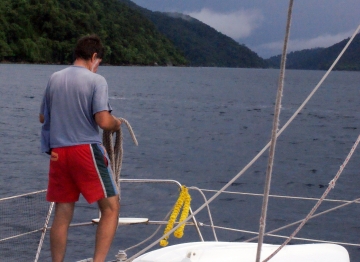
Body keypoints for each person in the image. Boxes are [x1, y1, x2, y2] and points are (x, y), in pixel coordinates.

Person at [39, 35, 121, 262]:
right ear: (94, 57)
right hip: (85, 152)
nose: (97, 68)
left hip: (58, 154)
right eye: (98, 63)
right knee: (111, 208)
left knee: (62, 214)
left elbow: (42, 116)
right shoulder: (97, 81)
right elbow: (103, 121)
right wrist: (117, 124)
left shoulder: (54, 78)